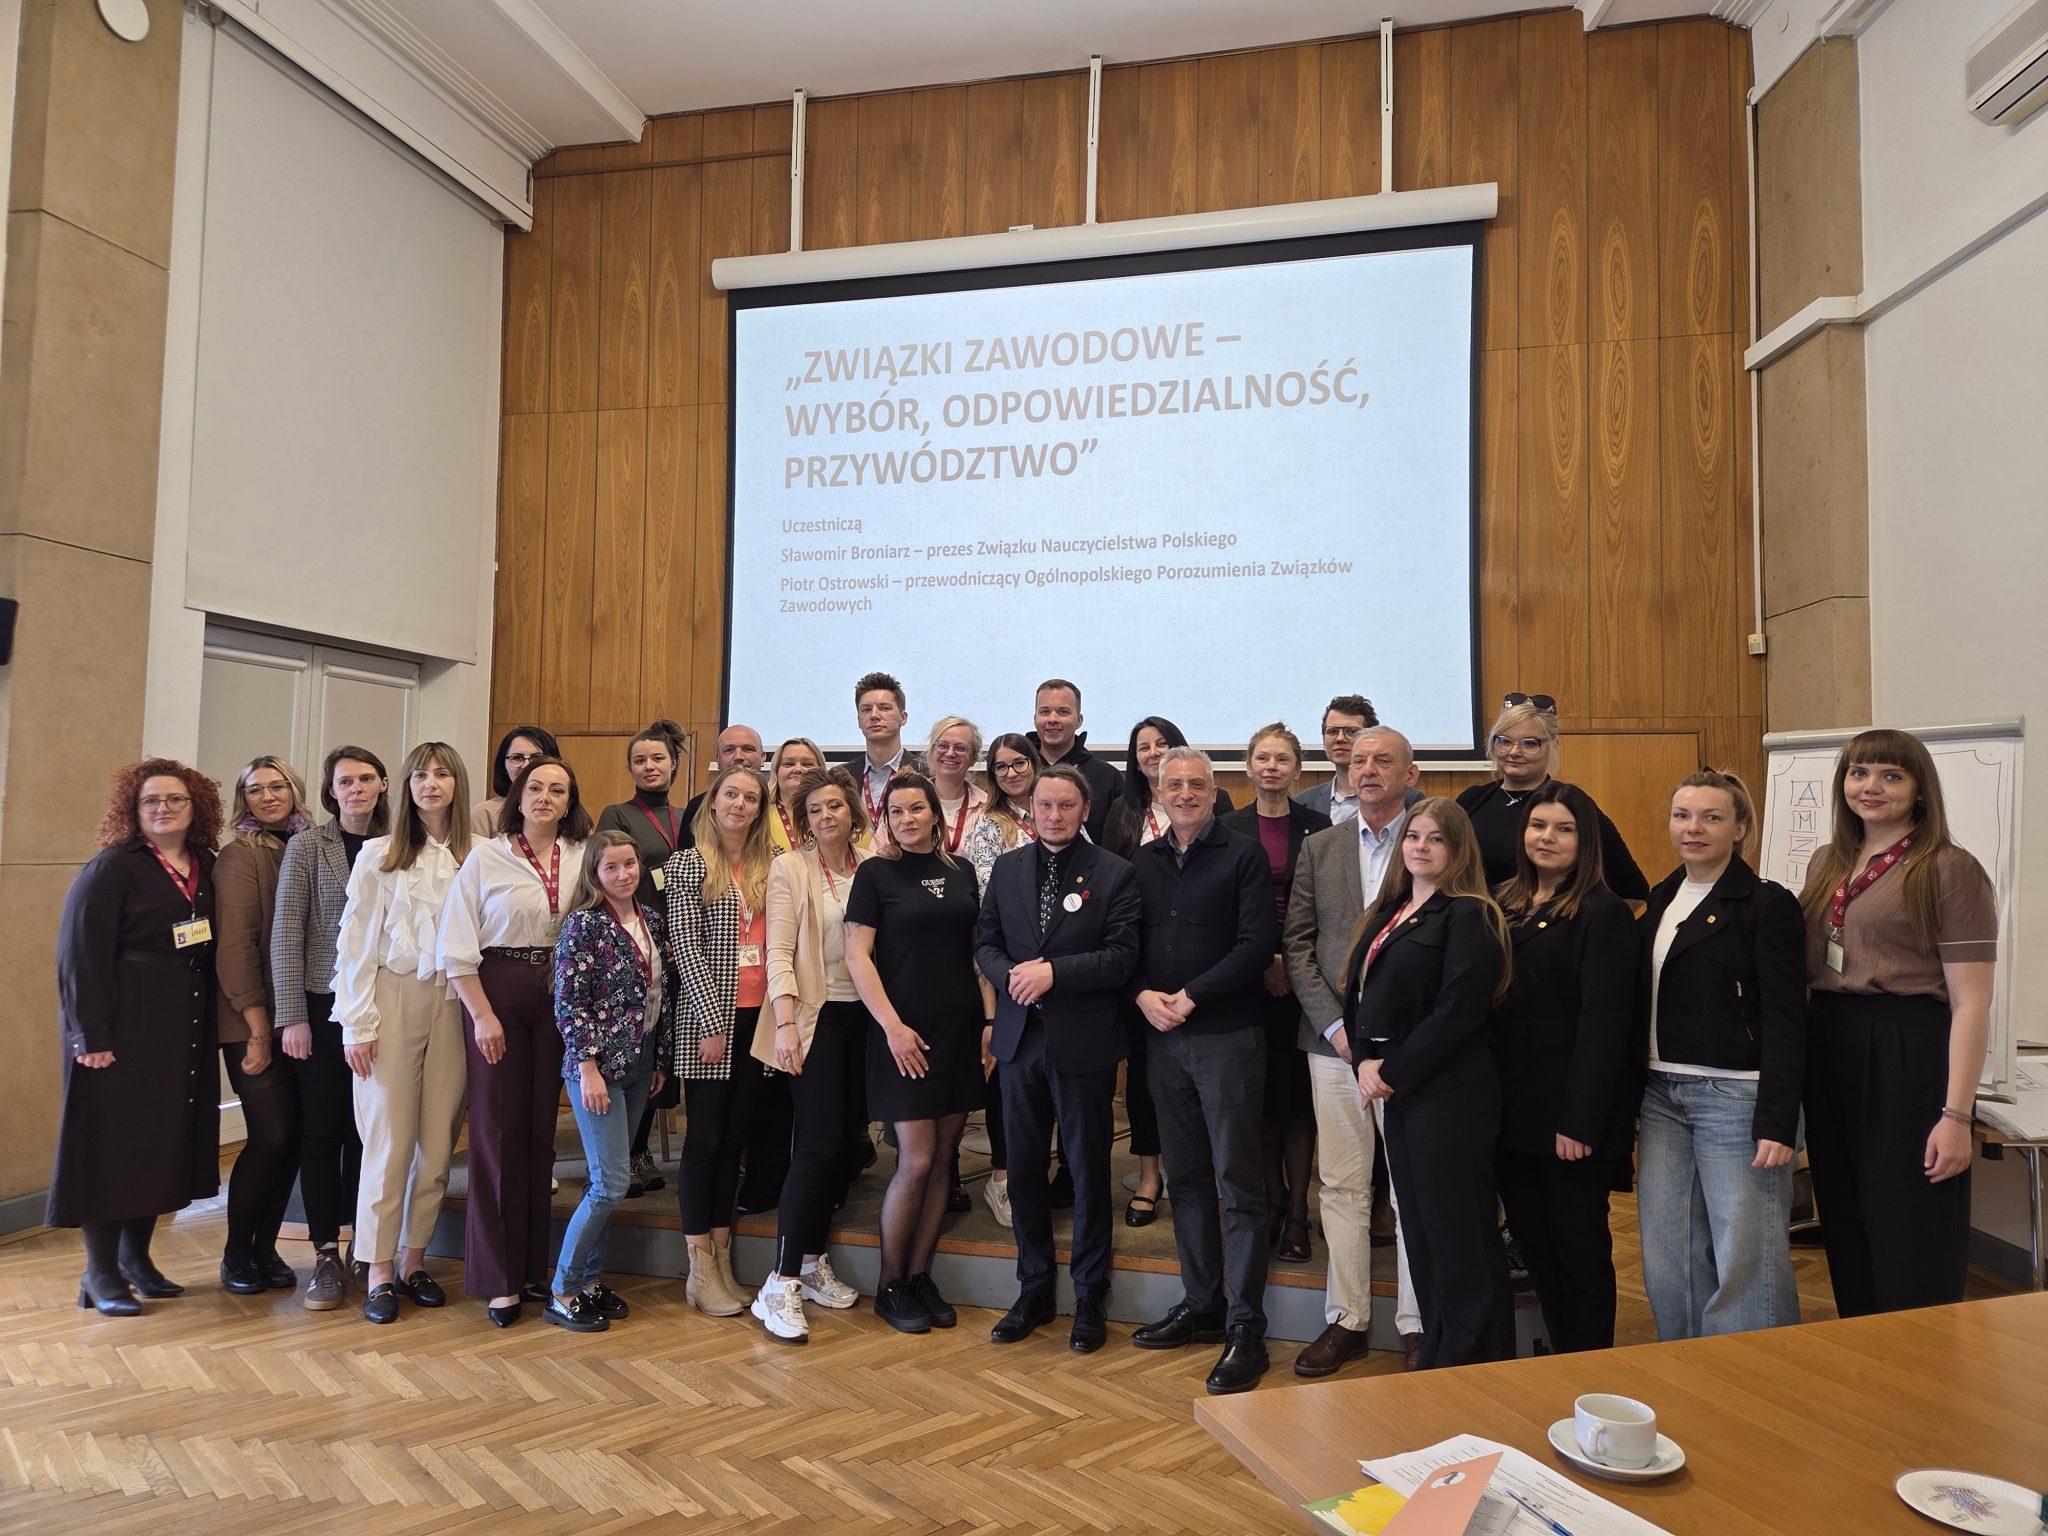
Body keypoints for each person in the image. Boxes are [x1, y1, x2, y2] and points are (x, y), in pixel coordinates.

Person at [1798, 730, 1996, 1317]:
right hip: (1829, 1045)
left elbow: (1971, 1003)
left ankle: (1920, 1355)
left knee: (1907, 1221)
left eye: (1891, 776)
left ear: (1919, 790)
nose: (1871, 787)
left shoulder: (1948, 868)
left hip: (1906, 1049)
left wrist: (1956, 1116)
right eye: (1859, 773)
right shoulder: (1828, 861)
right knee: (1846, 1219)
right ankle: (1866, 1350)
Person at [51, 759, 225, 1316]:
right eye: (151, 800)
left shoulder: (206, 864)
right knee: (113, 1146)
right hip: (120, 1028)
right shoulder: (112, 867)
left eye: (175, 799)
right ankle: (100, 1272)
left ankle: (135, 1260)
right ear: (134, 808)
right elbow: (77, 957)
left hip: (180, 1026)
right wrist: (89, 1036)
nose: (163, 809)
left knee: (159, 1143)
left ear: (195, 807)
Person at [1346, 798, 1516, 1369]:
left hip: (1450, 1095)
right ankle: (1442, 1354)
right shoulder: (1391, 910)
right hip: (1402, 1093)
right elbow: (1360, 996)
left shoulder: (1470, 915)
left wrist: (1389, 1071)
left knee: (1458, 1237)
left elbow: (1457, 1014)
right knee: (1421, 1235)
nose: (1420, 847)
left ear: (1458, 848)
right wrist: (1363, 1060)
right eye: (1414, 836)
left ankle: (1476, 1363)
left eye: (1436, 838)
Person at [977, 765, 1142, 1351]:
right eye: (1044, 805)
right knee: (1022, 1170)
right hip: (1019, 1042)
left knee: (1089, 1171)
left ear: (1084, 809)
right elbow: (985, 941)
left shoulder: (1116, 873)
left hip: (1083, 1043)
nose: (1054, 815)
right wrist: (1012, 977)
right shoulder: (1007, 868)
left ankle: (1090, 1295)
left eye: (1066, 805)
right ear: (1032, 808)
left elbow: (1122, 957)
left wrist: (1054, 974)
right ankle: (1034, 1289)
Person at [1128, 747, 1277, 1395]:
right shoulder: (1142, 862)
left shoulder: (1244, 855)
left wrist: (1190, 997)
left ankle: (1247, 1326)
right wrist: (1141, 994)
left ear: (1215, 792)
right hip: (1162, 1043)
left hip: (1227, 1038)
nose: (1185, 793)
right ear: (1159, 794)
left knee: (1238, 1183)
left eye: (1196, 784)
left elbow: (1256, 946)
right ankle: (1202, 1303)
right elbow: (1124, 944)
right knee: (1185, 1179)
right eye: (1174, 785)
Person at [1636, 768, 1804, 1340]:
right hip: (1661, 1094)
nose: (1694, 828)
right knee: (1669, 1251)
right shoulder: (1662, 897)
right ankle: (1685, 1366)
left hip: (1737, 1098)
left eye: (1712, 817)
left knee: (1745, 1255)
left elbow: (1787, 1016)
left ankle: (1753, 1375)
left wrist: (1778, 1120)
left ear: (1740, 828)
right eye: (1682, 816)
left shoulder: (1767, 905)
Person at [1283, 726, 1425, 1376]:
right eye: (1360, 759)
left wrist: (1410, 1041)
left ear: (1410, 773)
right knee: (1341, 1184)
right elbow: (1299, 946)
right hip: (1334, 1045)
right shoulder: (1321, 846)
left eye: (1383, 760)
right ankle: (1348, 1319)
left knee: (1412, 1186)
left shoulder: (1432, 838)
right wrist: (1339, 1031)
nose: (1368, 769)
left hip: (1411, 1051)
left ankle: (1419, 1323)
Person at [438, 754, 593, 1326]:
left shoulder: (583, 855)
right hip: (498, 988)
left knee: (540, 1134)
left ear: (570, 802)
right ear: (518, 796)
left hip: (561, 988)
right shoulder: (487, 856)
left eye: (558, 789)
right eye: (535, 788)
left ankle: (531, 1268)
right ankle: (498, 1278)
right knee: (497, 1132)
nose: (545, 797)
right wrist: (481, 1015)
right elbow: (455, 945)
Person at [843, 771, 993, 1333]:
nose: (906, 819)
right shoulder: (875, 874)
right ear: (886, 819)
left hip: (960, 1029)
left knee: (945, 1158)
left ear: (935, 814)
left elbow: (976, 952)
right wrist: (893, 1028)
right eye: (896, 811)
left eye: (916, 809)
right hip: (903, 1032)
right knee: (917, 1159)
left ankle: (919, 1274)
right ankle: (890, 1284)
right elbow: (858, 957)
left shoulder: (963, 872)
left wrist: (990, 1021)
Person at [1491, 782, 1638, 1353]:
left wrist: (1579, 1122)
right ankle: (1561, 1358)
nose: (1546, 837)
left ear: (1586, 840)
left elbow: (1605, 1025)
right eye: (1537, 825)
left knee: (1578, 1250)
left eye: (1563, 828)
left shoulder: (1603, 912)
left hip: (1570, 1120)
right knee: (1534, 1246)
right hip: (1512, 1111)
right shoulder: (1501, 902)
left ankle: (1589, 1363)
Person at [333, 742, 472, 1325]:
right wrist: (356, 1024)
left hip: (456, 1002)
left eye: (441, 774)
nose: (430, 784)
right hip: (391, 998)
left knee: (437, 1148)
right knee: (388, 1143)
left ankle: (416, 1260)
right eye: (419, 775)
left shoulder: (478, 855)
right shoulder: (377, 855)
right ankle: (378, 1268)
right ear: (406, 787)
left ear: (457, 783)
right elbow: (355, 946)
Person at [747, 765, 871, 1341]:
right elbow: (778, 950)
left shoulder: (873, 865)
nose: (825, 816)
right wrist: (786, 1023)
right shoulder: (790, 868)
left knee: (847, 1146)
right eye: (814, 809)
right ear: (803, 820)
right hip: (812, 1019)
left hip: (865, 1020)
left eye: (834, 806)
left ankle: (814, 1260)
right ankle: (780, 1283)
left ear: (853, 812)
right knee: (816, 1146)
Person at [272, 745, 390, 1311]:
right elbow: (286, 932)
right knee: (323, 1132)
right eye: (346, 781)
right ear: (331, 791)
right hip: (322, 1007)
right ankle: (324, 1252)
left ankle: (366, 1248)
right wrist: (292, 1015)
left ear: (384, 784)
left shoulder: (402, 842)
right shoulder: (307, 847)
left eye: (366, 779)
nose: (356, 789)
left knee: (371, 1132)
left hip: (386, 1005)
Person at [1105, 715, 1232, 1225]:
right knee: (1142, 1081)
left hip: (1204, 974)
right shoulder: (1123, 811)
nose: (1153, 752)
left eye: (1162, 743)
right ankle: (1149, 1174)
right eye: (1144, 746)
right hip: (1144, 971)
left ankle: (1204, 1175)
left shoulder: (1213, 806)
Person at [547, 831, 672, 1333]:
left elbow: (660, 994)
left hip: (640, 1063)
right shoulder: (584, 925)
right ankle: (563, 1290)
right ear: (594, 875)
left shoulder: (652, 921)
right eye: (611, 868)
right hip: (597, 1069)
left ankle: (591, 1281)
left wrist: (658, 1058)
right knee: (610, 1184)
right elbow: (569, 1005)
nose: (623, 875)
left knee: (607, 1182)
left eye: (630, 864)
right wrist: (587, 1068)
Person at [665, 763, 775, 1318]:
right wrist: (713, 1024)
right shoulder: (688, 864)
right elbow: (686, 948)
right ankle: (699, 1267)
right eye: (731, 794)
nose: (739, 804)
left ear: (760, 810)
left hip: (759, 1019)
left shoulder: (769, 865)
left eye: (751, 798)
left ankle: (723, 1258)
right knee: (705, 1143)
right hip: (711, 1022)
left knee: (734, 1143)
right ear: (712, 803)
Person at [1221, 724, 1329, 1266]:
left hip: (1305, 976)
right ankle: (1268, 1203)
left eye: (1282, 759)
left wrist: (1289, 960)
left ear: (1297, 769)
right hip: (1247, 978)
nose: (1271, 767)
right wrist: (1263, 960)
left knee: (1298, 1102)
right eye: (1262, 758)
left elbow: (1326, 905)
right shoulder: (1227, 827)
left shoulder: (1319, 826)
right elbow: (1226, 906)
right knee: (1259, 1099)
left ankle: (1298, 1214)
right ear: (1248, 766)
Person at [212, 757, 310, 1296]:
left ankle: (266, 1249)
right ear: (243, 799)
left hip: (295, 1014)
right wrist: (256, 1026)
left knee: (293, 1139)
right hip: (250, 1016)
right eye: (255, 790)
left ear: (294, 790)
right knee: (271, 1135)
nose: (268, 797)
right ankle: (236, 1254)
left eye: (277, 787)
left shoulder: (306, 844)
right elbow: (235, 946)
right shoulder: (240, 855)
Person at [594, 718, 691, 1199]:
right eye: (639, 760)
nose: (649, 766)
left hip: (682, 943)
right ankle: (626, 1150)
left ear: (673, 764)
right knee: (633, 1045)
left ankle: (641, 1146)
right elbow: (610, 875)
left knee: (661, 1046)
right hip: (634, 942)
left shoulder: (687, 817)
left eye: (657, 758)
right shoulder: (618, 814)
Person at [960, 732, 1045, 1227]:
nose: (1011, 773)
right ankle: (1002, 1178)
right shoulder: (989, 824)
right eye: (1000, 767)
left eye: (1019, 763)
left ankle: (1034, 1175)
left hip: (1058, 968)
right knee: (1006, 1078)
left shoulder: (1057, 808)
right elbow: (989, 900)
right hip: (1008, 966)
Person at [1456, 695, 1648, 900]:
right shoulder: (1472, 800)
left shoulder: (1570, 805)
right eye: (1504, 741)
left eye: (1529, 744)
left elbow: (1634, 892)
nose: (1514, 751)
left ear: (1553, 744)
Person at [1026, 679, 1119, 843]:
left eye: (1063, 712)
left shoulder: (1108, 778)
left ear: (1079, 720)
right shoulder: (1017, 774)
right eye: (1045, 712)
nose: (1052, 719)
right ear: (1035, 719)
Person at [852, 673, 921, 836]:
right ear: (859, 720)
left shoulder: (926, 773)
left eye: (884, 708)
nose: (874, 716)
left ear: (903, 718)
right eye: (866, 710)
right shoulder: (840, 777)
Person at [677, 724, 766, 848]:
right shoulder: (698, 806)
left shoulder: (777, 804)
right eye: (729, 750)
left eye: (748, 749)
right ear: (718, 759)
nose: (738, 757)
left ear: (763, 757)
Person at [1295, 695, 1377, 822]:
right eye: (1332, 731)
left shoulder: (1401, 801)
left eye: (1351, 731)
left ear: (1372, 738)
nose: (1340, 738)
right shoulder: (1302, 804)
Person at [472, 726, 561, 839]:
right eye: (517, 758)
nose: (526, 766)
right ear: (504, 765)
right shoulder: (485, 814)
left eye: (537, 758)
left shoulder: (565, 810)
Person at [765, 737, 826, 855]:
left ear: (821, 772)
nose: (798, 769)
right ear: (776, 771)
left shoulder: (837, 815)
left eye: (807, 764)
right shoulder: (759, 817)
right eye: (789, 764)